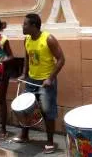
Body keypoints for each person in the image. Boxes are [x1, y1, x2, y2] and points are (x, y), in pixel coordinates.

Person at [13, 13, 65, 154]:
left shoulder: (48, 39)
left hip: (46, 82)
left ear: (34, 26)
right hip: (31, 80)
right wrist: (24, 74)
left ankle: (50, 142)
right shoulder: (27, 40)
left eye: (25, 24)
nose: (22, 26)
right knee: (26, 108)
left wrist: (50, 78)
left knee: (48, 112)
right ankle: (24, 135)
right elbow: (27, 59)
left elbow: (61, 59)